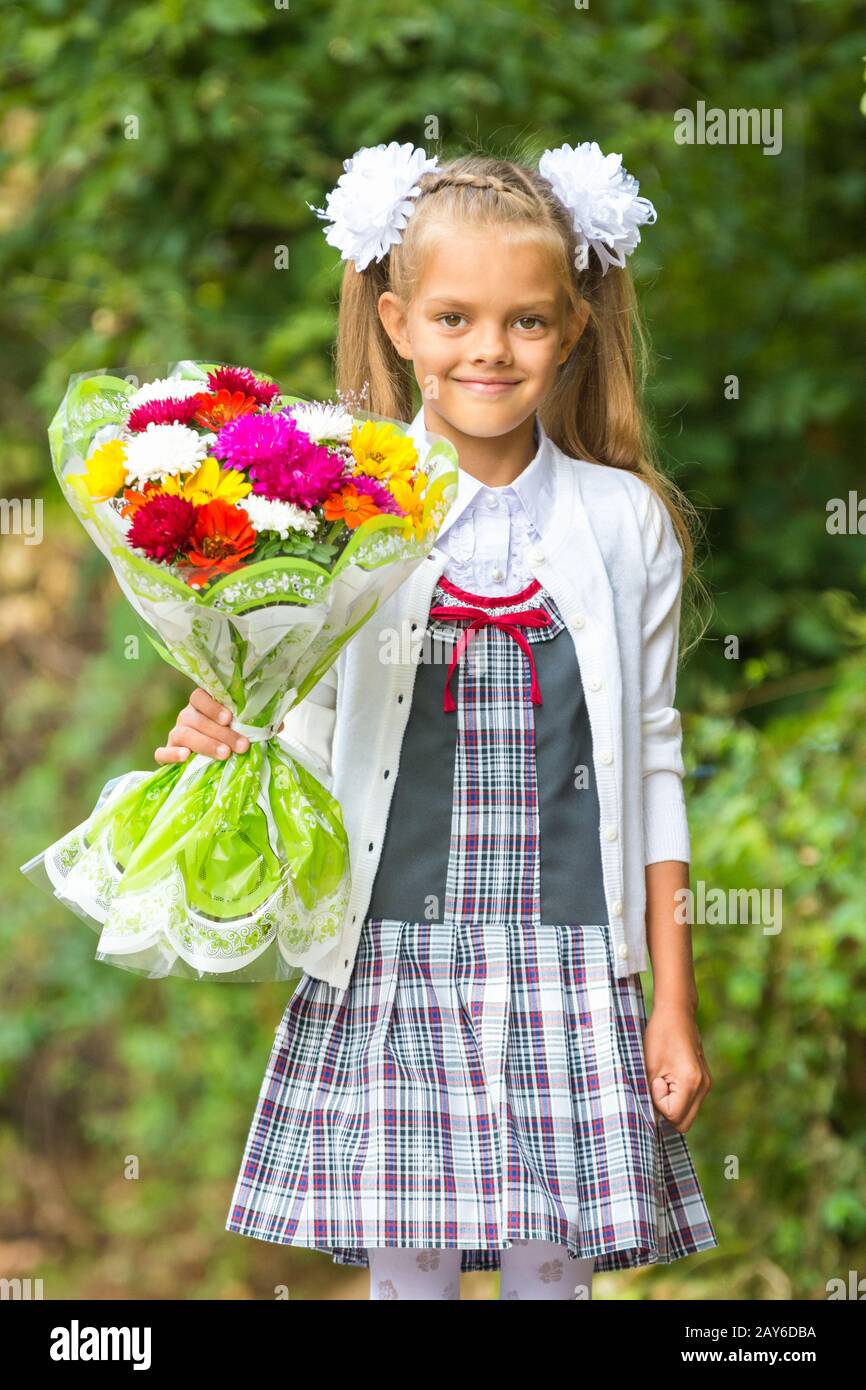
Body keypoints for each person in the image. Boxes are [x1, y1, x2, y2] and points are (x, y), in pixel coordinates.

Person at [156, 140, 718, 1299]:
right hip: (392, 959)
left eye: (523, 321)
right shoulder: (331, 515)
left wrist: (671, 999)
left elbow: (652, 766)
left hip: (570, 970)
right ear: (399, 320)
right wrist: (225, 722)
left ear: (569, 329)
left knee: (549, 1277)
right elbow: (296, 724)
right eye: (455, 317)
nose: (487, 350)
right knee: (405, 1276)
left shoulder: (624, 524)